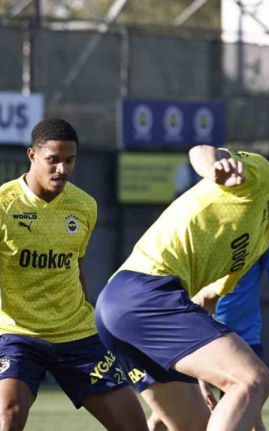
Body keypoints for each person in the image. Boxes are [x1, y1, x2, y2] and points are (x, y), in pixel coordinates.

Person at [95, 145, 269, 431]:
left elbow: (207, 299)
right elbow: (202, 151)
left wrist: (204, 374)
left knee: (195, 425)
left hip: (124, 308)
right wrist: (213, 169)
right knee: (255, 379)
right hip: (145, 292)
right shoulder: (264, 179)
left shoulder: (262, 236)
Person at [0, 118, 147, 430]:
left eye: (69, 161)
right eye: (53, 160)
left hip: (77, 335)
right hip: (19, 335)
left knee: (135, 425)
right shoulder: (4, 205)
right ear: (32, 155)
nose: (62, 170)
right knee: (8, 414)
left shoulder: (84, 206)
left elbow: (75, 265)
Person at [147, 229, 269, 431]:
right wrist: (200, 380)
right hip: (193, 338)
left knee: (248, 415)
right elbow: (197, 295)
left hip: (243, 338)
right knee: (164, 415)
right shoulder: (201, 226)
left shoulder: (264, 231)